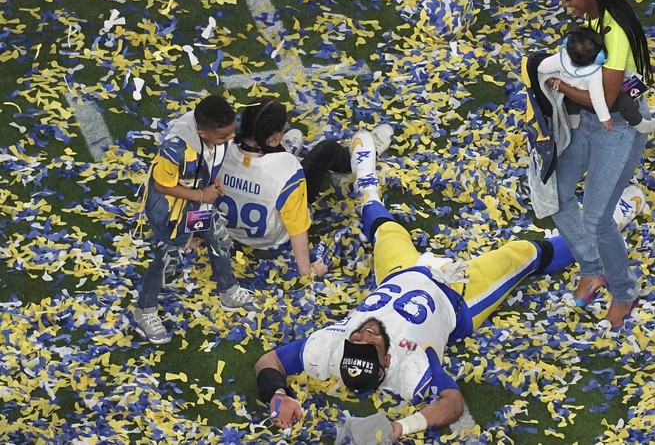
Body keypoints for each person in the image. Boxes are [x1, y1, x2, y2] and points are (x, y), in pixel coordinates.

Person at [252, 130, 581, 442]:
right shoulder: (410, 370)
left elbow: (269, 361)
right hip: (456, 294)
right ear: (387, 362)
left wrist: (277, 394)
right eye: (371, 343)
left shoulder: (328, 350)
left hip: (398, 272)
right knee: (521, 255)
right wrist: (398, 427)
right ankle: (604, 225)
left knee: (383, 227)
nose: (365, 333)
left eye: (357, 338)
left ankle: (366, 182)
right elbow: (452, 403)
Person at [540, 0, 655, 328]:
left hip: (617, 126)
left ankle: (624, 293)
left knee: (597, 218)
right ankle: (591, 268)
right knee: (555, 191)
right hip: (590, 120)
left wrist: (559, 85)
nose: (564, 4)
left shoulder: (615, 32)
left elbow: (602, 99)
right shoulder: (594, 16)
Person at [216, 97, 393, 275]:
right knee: (328, 149)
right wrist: (306, 269)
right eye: (282, 130)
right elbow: (297, 226)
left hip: (232, 231)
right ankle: (365, 164)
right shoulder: (287, 168)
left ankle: (276, 150)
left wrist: (194, 235)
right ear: (276, 136)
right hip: (272, 237)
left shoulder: (218, 150)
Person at [134, 94, 254, 344]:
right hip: (171, 212)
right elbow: (162, 185)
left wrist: (214, 180)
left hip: (198, 202)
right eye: (224, 137)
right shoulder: (175, 149)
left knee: (218, 236)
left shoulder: (218, 135)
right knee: (167, 256)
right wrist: (202, 194)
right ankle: (144, 310)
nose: (230, 139)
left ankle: (228, 290)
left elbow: (211, 161)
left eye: (232, 133)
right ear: (202, 133)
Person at [538, 26, 655, 134]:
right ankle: (641, 124)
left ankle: (573, 118)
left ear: (566, 44)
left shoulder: (561, 59)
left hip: (574, 97)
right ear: (599, 57)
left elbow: (542, 67)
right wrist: (604, 118)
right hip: (593, 103)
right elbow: (597, 98)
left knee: (569, 97)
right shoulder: (594, 73)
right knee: (624, 100)